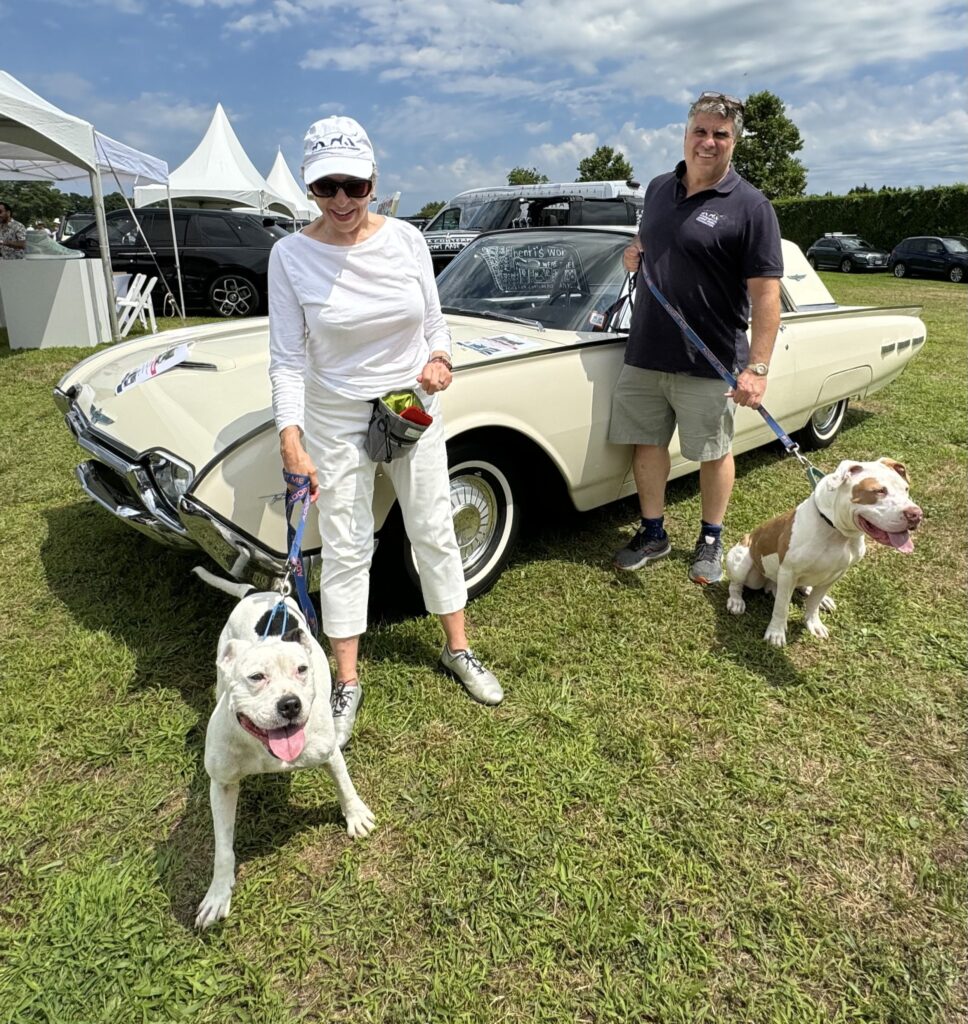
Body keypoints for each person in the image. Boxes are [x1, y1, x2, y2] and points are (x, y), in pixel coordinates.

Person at [268, 115, 503, 749]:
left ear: (374, 180)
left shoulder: (406, 240)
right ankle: (346, 679)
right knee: (347, 541)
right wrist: (290, 437)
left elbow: (435, 321)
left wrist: (441, 359)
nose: (342, 201)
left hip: (410, 403)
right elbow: (287, 358)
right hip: (336, 411)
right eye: (326, 188)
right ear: (310, 188)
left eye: (354, 186)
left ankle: (459, 647)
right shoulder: (289, 256)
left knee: (433, 524)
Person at [609, 91, 782, 585]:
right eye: (700, 132)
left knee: (712, 451)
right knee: (646, 443)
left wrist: (758, 368)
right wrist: (635, 253)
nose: (708, 142)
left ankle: (710, 537)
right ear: (686, 136)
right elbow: (655, 240)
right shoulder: (659, 188)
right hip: (645, 350)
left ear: (734, 143)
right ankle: (653, 531)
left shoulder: (751, 207)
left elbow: (767, 296)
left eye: (720, 135)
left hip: (711, 359)